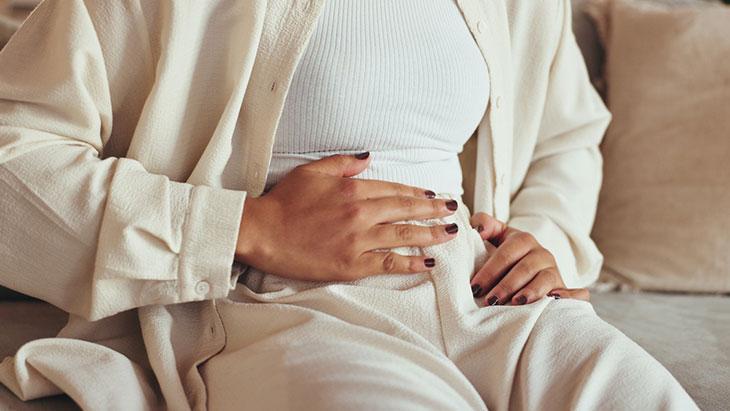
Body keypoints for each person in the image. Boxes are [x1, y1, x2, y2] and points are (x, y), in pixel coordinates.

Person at [0, 0, 696, 410]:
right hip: (282, 309)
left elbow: (564, 138)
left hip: (494, 301)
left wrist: (540, 239)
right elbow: (13, 158)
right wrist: (243, 228)